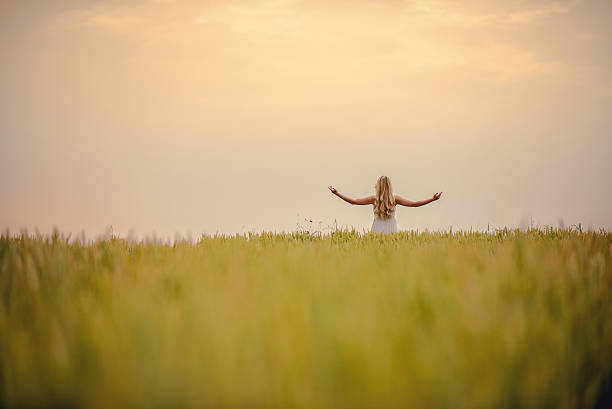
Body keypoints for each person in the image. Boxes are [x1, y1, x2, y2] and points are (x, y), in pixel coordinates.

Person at [328, 176, 442, 233]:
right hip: (391, 230)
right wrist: (432, 199)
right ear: (389, 187)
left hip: (376, 230)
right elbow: (414, 204)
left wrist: (337, 193)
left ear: (378, 186)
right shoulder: (395, 199)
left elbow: (353, 201)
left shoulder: (374, 199)